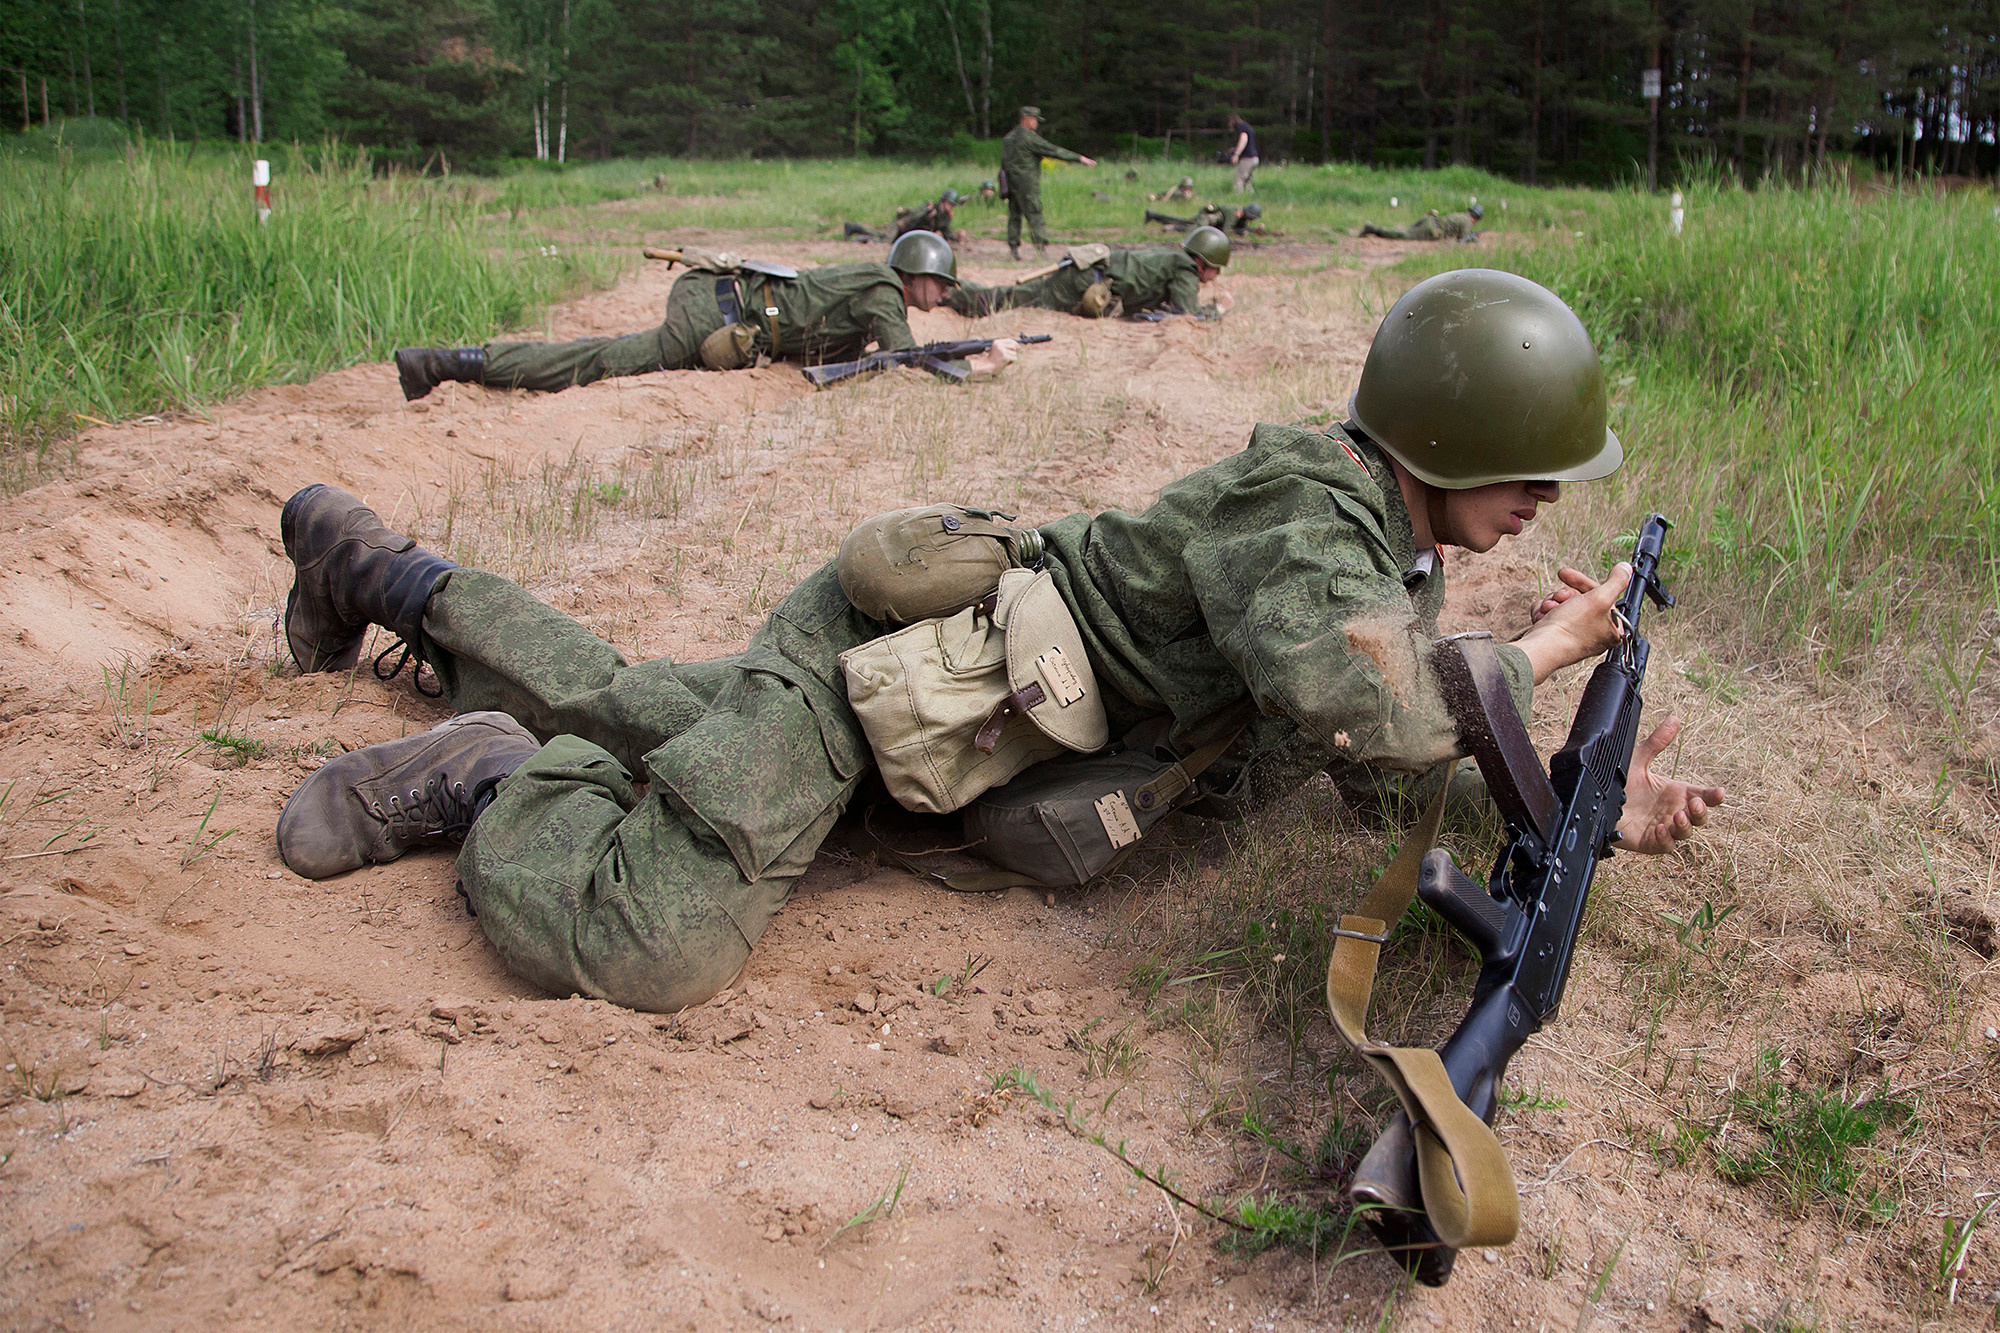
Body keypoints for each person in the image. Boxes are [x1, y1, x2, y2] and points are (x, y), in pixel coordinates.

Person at [272, 268, 1721, 1014]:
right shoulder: (1306, 520)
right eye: (1536, 472)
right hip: (901, 679)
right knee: (650, 948)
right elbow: (1376, 715)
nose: (1544, 507)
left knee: (643, 703)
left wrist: (1597, 824)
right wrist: (1543, 660)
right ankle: (492, 782)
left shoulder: (1384, 558)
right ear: (1452, 437)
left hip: (973, 736)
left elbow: (1396, 780)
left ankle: (379, 566)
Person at [392, 232, 1011, 399]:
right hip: (713, 303)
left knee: (612, 357)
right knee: (611, 359)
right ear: (916, 275)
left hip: (726, 302)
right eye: (941, 284)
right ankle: (452, 364)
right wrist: (978, 367)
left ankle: (452, 362)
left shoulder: (878, 287)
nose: (945, 294)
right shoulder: (882, 287)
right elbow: (904, 356)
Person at [947, 226, 1234, 320]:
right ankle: (954, 295)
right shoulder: (1184, 268)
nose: (1216, 275)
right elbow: (1187, 314)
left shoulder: (1174, 259)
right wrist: (1218, 309)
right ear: (1204, 263)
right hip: (1084, 282)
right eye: (1216, 268)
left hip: (1087, 273)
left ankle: (955, 289)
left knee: (1019, 295)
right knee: (1014, 299)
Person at [1000, 105, 1097, 261]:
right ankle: (1040, 250)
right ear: (1028, 120)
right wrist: (1079, 158)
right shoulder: (1029, 137)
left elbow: (1004, 164)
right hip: (1028, 183)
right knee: (1034, 214)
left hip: (1012, 183)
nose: (1036, 124)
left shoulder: (1009, 138)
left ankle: (1013, 250)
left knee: (1014, 216)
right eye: (1035, 120)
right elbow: (1053, 150)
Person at [1360, 204, 1484, 242]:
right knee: (1403, 235)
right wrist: (1473, 239)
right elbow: (1462, 240)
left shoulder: (1461, 215)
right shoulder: (1468, 222)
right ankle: (1373, 229)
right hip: (1431, 229)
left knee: (1406, 232)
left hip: (1430, 219)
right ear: (1476, 218)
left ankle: (1375, 229)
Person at [1144, 201, 1263, 236]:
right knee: (1195, 230)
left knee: (1181, 220)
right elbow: (1226, 231)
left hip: (1211, 220)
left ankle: (1153, 215)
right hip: (1207, 218)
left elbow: (1242, 228)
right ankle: (1172, 228)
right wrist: (1240, 232)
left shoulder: (1242, 216)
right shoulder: (1234, 213)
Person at [1227, 115, 1258, 194]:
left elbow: (1244, 139)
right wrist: (1235, 149)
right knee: (1247, 182)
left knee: (1239, 180)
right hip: (1254, 158)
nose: (1230, 125)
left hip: (1247, 159)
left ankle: (1238, 199)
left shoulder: (1241, 127)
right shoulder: (1247, 127)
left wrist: (1236, 154)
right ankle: (1251, 199)